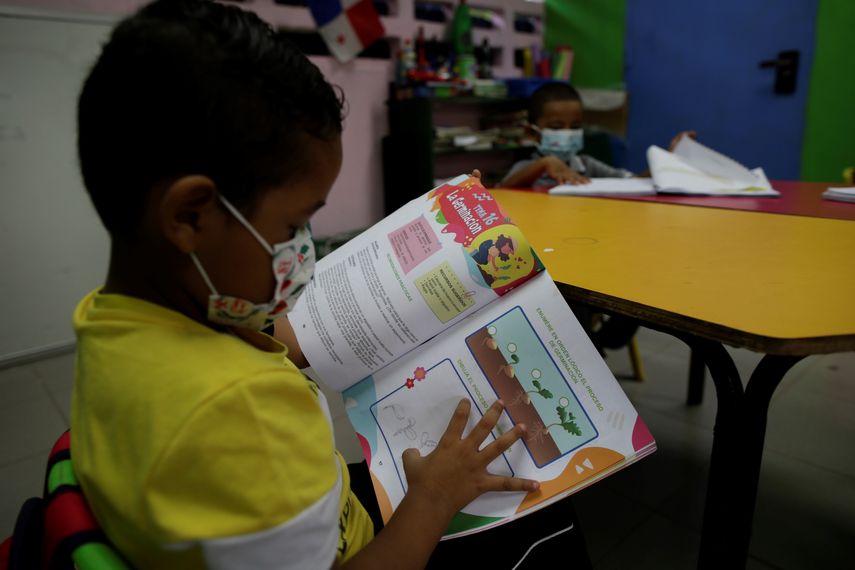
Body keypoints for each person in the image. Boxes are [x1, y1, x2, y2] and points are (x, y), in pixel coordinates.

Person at [71, 1, 589, 569]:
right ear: (191, 216)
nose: (303, 249)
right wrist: (436, 498)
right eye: (292, 226)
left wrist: (269, 335)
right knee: (549, 516)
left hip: (319, 511)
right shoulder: (242, 412)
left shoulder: (110, 318)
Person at [502, 82, 695, 189]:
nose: (568, 133)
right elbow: (504, 189)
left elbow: (632, 181)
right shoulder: (526, 168)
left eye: (575, 126)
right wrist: (545, 163)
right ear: (532, 133)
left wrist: (667, 160)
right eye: (557, 127)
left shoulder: (586, 165)